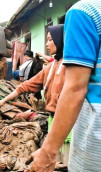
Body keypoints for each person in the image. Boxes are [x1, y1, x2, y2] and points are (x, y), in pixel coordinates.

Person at [28, 1, 101, 171]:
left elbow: (74, 89)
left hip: (92, 138)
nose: (47, 44)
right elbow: (29, 85)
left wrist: (47, 152)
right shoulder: (52, 65)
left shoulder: (84, 11)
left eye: (50, 39)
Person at [0, 24, 65, 116]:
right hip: (53, 117)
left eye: (50, 40)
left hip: (68, 119)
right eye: (46, 40)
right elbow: (25, 85)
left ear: (60, 40)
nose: (47, 44)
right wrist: (3, 100)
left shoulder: (70, 66)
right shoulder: (50, 67)